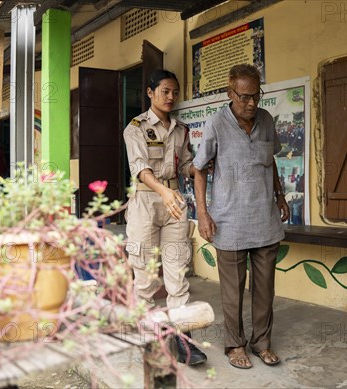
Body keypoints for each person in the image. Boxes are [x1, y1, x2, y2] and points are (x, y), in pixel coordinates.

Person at [193, 64, 289, 369]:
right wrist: (203, 213)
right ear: (230, 93)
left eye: (255, 95)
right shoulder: (216, 124)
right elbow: (198, 168)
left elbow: (270, 161)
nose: (250, 103)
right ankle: (235, 345)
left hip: (264, 219)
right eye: (244, 96)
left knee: (265, 289)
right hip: (229, 221)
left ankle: (263, 343)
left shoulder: (266, 119)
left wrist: (280, 195)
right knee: (233, 291)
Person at [123, 69, 207, 366]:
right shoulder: (135, 127)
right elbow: (140, 168)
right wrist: (163, 191)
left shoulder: (181, 129)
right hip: (146, 202)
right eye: (165, 91)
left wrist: (197, 168)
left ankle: (183, 341)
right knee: (144, 277)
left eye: (175, 92)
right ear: (150, 92)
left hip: (175, 205)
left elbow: (184, 164)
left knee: (177, 274)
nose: (171, 97)